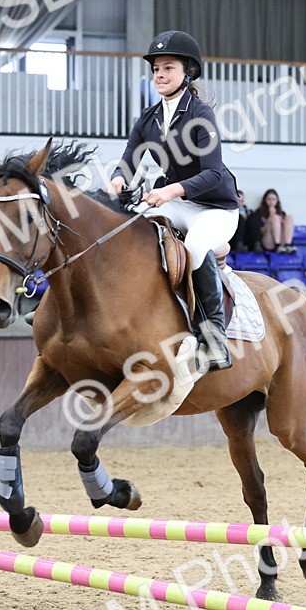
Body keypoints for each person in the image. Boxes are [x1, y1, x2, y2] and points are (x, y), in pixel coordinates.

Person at [107, 30, 238, 370]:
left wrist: (169, 191)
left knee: (194, 246)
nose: (160, 75)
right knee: (126, 229)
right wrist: (118, 179)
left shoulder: (201, 115)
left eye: (168, 68)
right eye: (156, 69)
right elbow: (128, 160)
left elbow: (213, 174)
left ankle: (215, 339)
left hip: (215, 208)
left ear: (187, 72)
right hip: (176, 204)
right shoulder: (148, 118)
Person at [258, 189, 295, 253]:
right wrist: (270, 218)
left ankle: (288, 245)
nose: (271, 202)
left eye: (274, 199)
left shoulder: (281, 213)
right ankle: (277, 245)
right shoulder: (259, 213)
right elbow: (260, 232)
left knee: (289, 218)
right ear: (265, 201)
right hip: (268, 241)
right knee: (275, 217)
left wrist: (281, 222)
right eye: (269, 199)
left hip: (282, 241)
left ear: (277, 201)